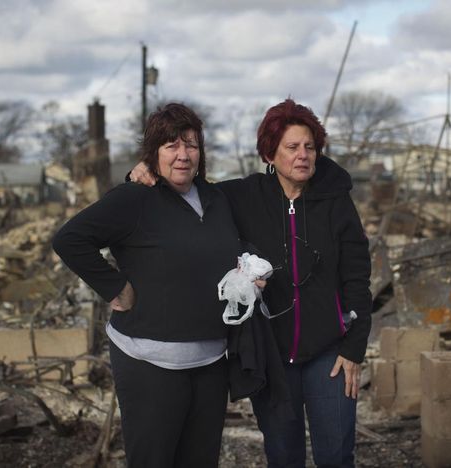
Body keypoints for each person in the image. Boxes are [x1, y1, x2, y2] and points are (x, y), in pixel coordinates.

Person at [129, 98, 372, 467]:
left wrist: (354, 347)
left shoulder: (336, 202)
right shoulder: (242, 196)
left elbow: (357, 277)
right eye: (292, 147)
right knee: (282, 456)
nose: (302, 155)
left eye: (309, 147)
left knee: (337, 455)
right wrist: (142, 172)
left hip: (330, 353)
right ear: (270, 153)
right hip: (271, 357)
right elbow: (187, 186)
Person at [53, 103, 244, 468]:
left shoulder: (217, 199)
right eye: (171, 146)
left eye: (191, 145)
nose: (183, 155)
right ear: (153, 153)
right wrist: (115, 287)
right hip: (150, 363)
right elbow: (70, 238)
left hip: (211, 362)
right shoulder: (135, 198)